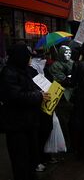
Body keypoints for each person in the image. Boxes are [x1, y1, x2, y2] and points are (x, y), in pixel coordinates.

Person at [0, 42, 50, 180]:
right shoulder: (8, 73)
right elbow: (15, 96)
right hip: (16, 125)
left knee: (31, 159)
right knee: (20, 160)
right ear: (20, 57)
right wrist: (38, 95)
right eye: (28, 57)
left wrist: (40, 92)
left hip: (30, 122)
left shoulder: (25, 70)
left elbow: (29, 89)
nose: (30, 60)